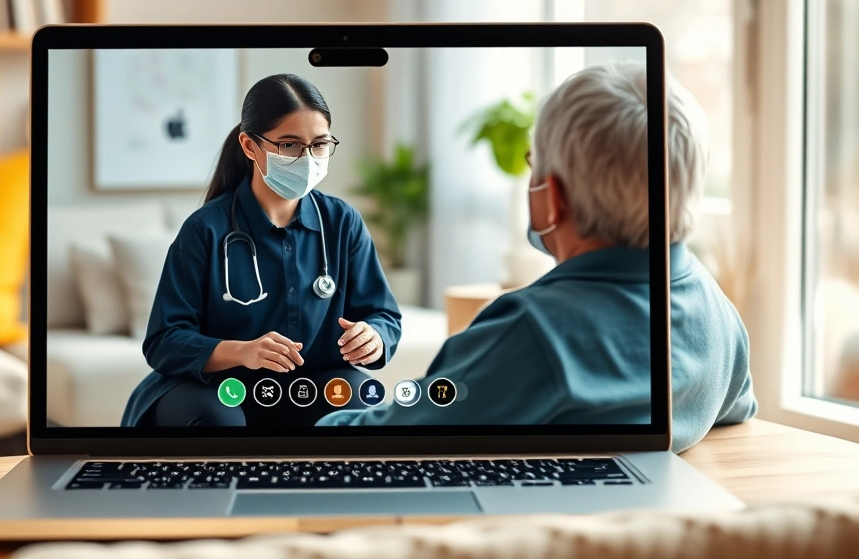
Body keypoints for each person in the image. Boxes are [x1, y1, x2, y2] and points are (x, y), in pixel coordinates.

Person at [317, 62, 757, 453]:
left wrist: (320, 423)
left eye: (533, 163)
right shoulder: (716, 307)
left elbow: (392, 437)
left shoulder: (530, 330)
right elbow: (735, 408)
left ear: (553, 198)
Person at [122, 73, 402, 427]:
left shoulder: (342, 222)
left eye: (319, 144)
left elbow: (383, 315)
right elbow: (164, 341)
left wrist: (374, 336)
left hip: (308, 385)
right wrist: (243, 351)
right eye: (289, 145)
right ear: (250, 146)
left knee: (362, 406)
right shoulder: (204, 230)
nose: (308, 157)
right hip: (215, 387)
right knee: (218, 421)